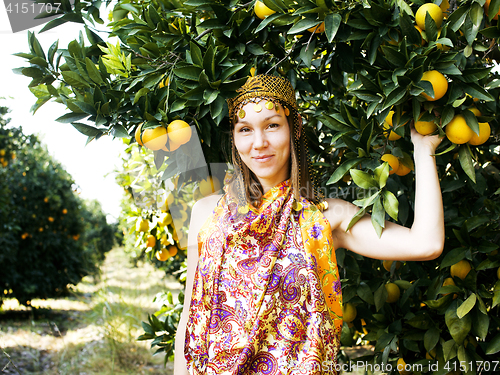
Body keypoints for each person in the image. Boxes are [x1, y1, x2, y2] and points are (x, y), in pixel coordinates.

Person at [174, 74, 444, 375]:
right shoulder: (206, 213)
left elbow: (427, 244)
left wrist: (423, 150)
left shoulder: (324, 217)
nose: (259, 143)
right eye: (245, 129)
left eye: (272, 125)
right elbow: (190, 315)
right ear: (234, 138)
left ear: (295, 129)